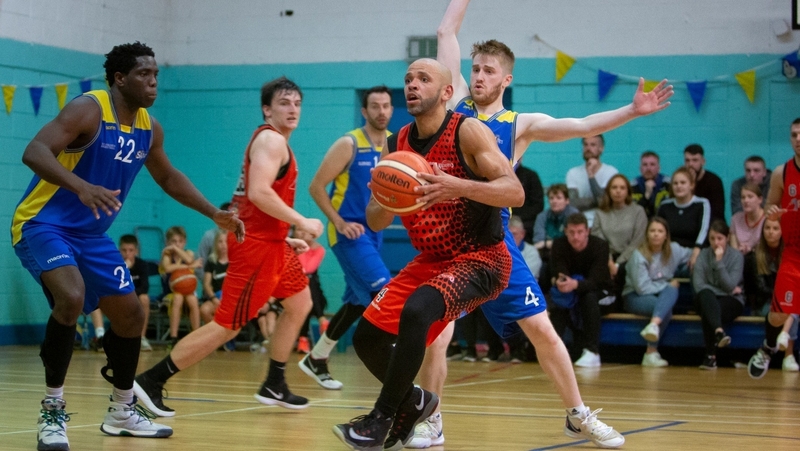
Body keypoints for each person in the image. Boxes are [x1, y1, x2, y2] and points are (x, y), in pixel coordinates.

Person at [406, 2, 671, 448]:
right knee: (438, 333)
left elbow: (582, 124)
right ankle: (431, 421)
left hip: (494, 242)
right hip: (450, 240)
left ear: (506, 78)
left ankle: (578, 414)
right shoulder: (452, 105)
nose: (479, 77)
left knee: (542, 330)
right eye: (475, 69)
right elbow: (445, 30)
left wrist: (632, 110)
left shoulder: (520, 124)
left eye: (489, 71)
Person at [10, 42, 243, 449]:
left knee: (132, 315)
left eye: (156, 75)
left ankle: (121, 411)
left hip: (90, 235)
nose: (153, 82)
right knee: (71, 297)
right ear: (120, 78)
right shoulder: (88, 109)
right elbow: (34, 151)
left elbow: (168, 178)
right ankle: (52, 411)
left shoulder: (149, 127)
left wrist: (212, 213)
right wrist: (81, 186)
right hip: (42, 224)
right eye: (143, 75)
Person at [332, 57, 525, 451]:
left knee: (418, 311)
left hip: (482, 258)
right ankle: (415, 402)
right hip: (431, 260)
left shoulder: (468, 132)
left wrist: (459, 186)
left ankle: (380, 419)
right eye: (408, 79)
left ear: (447, 92)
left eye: (423, 79)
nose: (412, 85)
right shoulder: (396, 143)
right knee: (367, 336)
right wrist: (384, 193)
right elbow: (377, 220)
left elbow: (514, 192)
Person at [133, 76, 323, 416]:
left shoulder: (275, 142)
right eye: (284, 102)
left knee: (300, 302)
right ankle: (150, 381)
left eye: (297, 103)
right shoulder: (271, 141)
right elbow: (258, 193)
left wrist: (283, 232)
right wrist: (301, 222)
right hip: (256, 246)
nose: (292, 108)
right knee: (227, 325)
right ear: (267, 109)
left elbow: (255, 201)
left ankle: (274, 383)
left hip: (271, 241)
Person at [302, 86, 393, 390]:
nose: (382, 111)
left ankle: (317, 357)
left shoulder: (394, 145)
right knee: (385, 289)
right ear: (365, 111)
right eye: (375, 106)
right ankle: (391, 359)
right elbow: (316, 187)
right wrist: (339, 222)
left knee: (356, 301)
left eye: (386, 105)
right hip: (349, 232)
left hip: (374, 232)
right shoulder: (349, 143)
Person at [748, 118, 800, 378]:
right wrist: (773, 213)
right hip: (793, 252)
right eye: (794, 134)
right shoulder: (782, 172)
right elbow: (769, 208)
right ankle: (768, 348)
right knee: (779, 315)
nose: (799, 139)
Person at [623, 217, 692, 367]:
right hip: (634, 296)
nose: (656, 234)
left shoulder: (674, 250)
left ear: (666, 235)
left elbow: (693, 254)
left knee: (670, 291)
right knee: (664, 306)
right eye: (652, 231)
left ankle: (653, 327)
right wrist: (665, 285)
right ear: (647, 234)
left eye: (660, 231)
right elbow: (642, 288)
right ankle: (651, 352)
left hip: (659, 295)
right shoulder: (638, 255)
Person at [548, 213, 614, 368]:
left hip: (603, 293)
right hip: (572, 292)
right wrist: (561, 281)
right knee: (558, 301)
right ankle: (555, 351)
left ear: (587, 231)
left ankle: (592, 351)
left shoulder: (600, 246)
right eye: (571, 232)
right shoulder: (559, 245)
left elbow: (596, 281)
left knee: (588, 297)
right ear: (565, 231)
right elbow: (559, 271)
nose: (575, 237)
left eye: (579, 232)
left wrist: (575, 284)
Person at [693, 219, 744, 370]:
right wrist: (726, 289)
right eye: (712, 238)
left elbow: (730, 285)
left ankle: (710, 356)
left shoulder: (737, 257)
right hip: (707, 297)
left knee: (709, 308)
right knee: (706, 296)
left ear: (727, 238)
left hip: (732, 301)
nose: (716, 243)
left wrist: (718, 262)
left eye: (720, 238)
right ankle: (719, 332)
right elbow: (698, 286)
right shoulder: (702, 255)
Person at [591, 174, 648, 302]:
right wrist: (610, 261)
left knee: (624, 269)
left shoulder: (638, 211)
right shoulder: (600, 213)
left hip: (630, 256)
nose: (618, 191)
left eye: (622, 188)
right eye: (614, 187)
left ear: (628, 191)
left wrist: (617, 264)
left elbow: (638, 241)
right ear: (608, 191)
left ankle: (623, 301)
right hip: (607, 256)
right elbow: (598, 241)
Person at [656, 167, 711, 270]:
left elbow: (704, 230)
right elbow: (658, 231)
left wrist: (696, 251)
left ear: (691, 185)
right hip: (668, 253)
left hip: (692, 252)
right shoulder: (664, 206)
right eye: (675, 183)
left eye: (683, 183)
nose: (679, 186)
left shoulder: (701, 204)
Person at [161, 225, 202, 348]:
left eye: (180, 241)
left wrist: (178, 250)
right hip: (170, 292)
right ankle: (173, 337)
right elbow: (168, 268)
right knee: (178, 297)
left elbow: (189, 259)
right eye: (173, 241)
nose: (177, 244)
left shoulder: (188, 252)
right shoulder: (166, 256)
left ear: (184, 242)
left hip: (188, 290)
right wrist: (190, 267)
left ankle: (197, 336)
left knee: (193, 299)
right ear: (167, 242)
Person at [566, 135, 618, 227]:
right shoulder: (572, 173)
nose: (588, 148)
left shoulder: (611, 172)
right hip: (580, 225)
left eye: (593, 145)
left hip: (605, 224)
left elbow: (604, 202)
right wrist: (598, 201)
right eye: (585, 145)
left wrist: (591, 175)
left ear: (601, 148)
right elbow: (573, 203)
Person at [119, 234, 153, 351]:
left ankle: (142, 337)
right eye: (124, 250)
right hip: (118, 297)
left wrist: (131, 295)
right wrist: (124, 269)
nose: (127, 253)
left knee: (145, 298)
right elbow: (113, 285)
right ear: (119, 250)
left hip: (135, 296)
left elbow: (145, 287)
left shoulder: (142, 265)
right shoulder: (115, 265)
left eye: (131, 250)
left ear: (136, 251)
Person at [684, 144, 725, 221]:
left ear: (703, 161)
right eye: (687, 160)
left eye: (695, 160)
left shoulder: (714, 181)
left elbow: (718, 212)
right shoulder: (680, 181)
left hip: (711, 223)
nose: (690, 164)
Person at [533, 184, 579, 253]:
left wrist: (547, 243)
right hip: (547, 254)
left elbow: (574, 241)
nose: (554, 201)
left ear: (567, 200)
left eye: (558, 198)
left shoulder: (574, 215)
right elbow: (538, 243)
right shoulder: (542, 217)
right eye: (551, 198)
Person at [199, 230, 228, 324]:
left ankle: (224, 334)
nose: (223, 244)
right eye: (220, 241)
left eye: (226, 241)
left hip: (231, 298)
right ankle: (217, 334)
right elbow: (206, 284)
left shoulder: (235, 262)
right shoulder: (211, 261)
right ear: (216, 244)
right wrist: (213, 298)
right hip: (216, 297)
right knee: (204, 310)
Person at [631, 150, 670, 218]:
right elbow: (633, 213)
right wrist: (647, 195)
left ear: (659, 168)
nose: (648, 168)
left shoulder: (668, 183)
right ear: (640, 169)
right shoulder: (633, 186)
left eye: (652, 164)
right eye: (645, 165)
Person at [729, 183, 765, 254]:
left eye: (750, 197)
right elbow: (734, 252)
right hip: (740, 260)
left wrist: (751, 250)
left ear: (760, 199)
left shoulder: (767, 219)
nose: (746, 201)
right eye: (743, 197)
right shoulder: (735, 219)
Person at [513, 159, 544, 241]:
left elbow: (538, 205)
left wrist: (518, 217)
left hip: (525, 221)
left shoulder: (531, 176)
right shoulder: (498, 176)